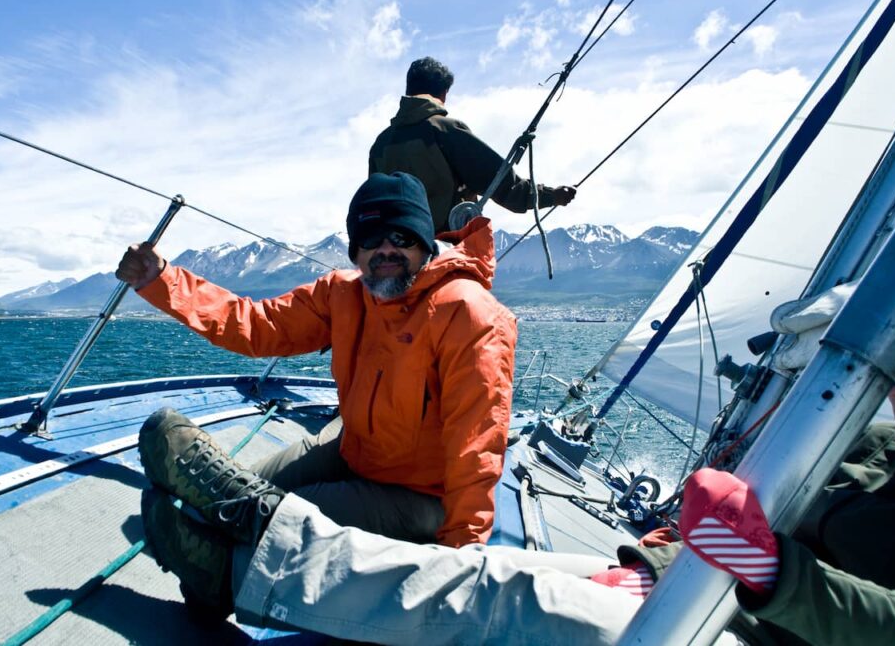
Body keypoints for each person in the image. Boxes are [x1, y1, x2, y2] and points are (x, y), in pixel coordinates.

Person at [118, 172, 517, 555]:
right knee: (231, 493)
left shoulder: (469, 313)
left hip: (423, 497)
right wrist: (162, 281)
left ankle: (216, 574)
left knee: (272, 515)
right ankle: (204, 534)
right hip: (355, 454)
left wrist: (462, 557)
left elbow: (477, 445)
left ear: (425, 243)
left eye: (402, 236)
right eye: (370, 239)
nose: (385, 250)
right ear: (356, 250)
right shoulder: (343, 294)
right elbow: (259, 326)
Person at [603, 346, 895, 646]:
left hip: (741, 628)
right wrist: (652, 570)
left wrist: (764, 566)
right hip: (720, 608)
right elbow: (759, 532)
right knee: (556, 593)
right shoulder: (880, 448)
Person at [369, 56, 577, 233]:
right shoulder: (445, 130)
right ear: (443, 94)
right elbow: (504, 186)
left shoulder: (381, 144)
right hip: (444, 252)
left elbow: (374, 204)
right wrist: (551, 196)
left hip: (396, 256)